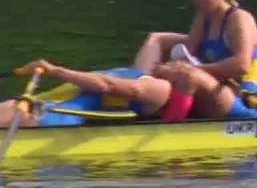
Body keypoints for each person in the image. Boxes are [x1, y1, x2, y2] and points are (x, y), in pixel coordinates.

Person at [132, 0, 257, 119]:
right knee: (173, 67)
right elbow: (188, 55)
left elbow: (241, 65)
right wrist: (169, 69)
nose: (195, 0)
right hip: (213, 87)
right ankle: (141, 91)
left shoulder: (239, 18)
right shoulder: (203, 17)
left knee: (191, 75)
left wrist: (195, 68)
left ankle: (170, 124)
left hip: (243, 97)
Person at [0, 57, 198, 128]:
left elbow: (106, 86)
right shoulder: (141, 73)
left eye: (176, 63)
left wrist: (55, 70)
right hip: (42, 103)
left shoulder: (162, 88)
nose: (170, 61)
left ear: (179, 75)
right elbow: (155, 39)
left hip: (56, 114)